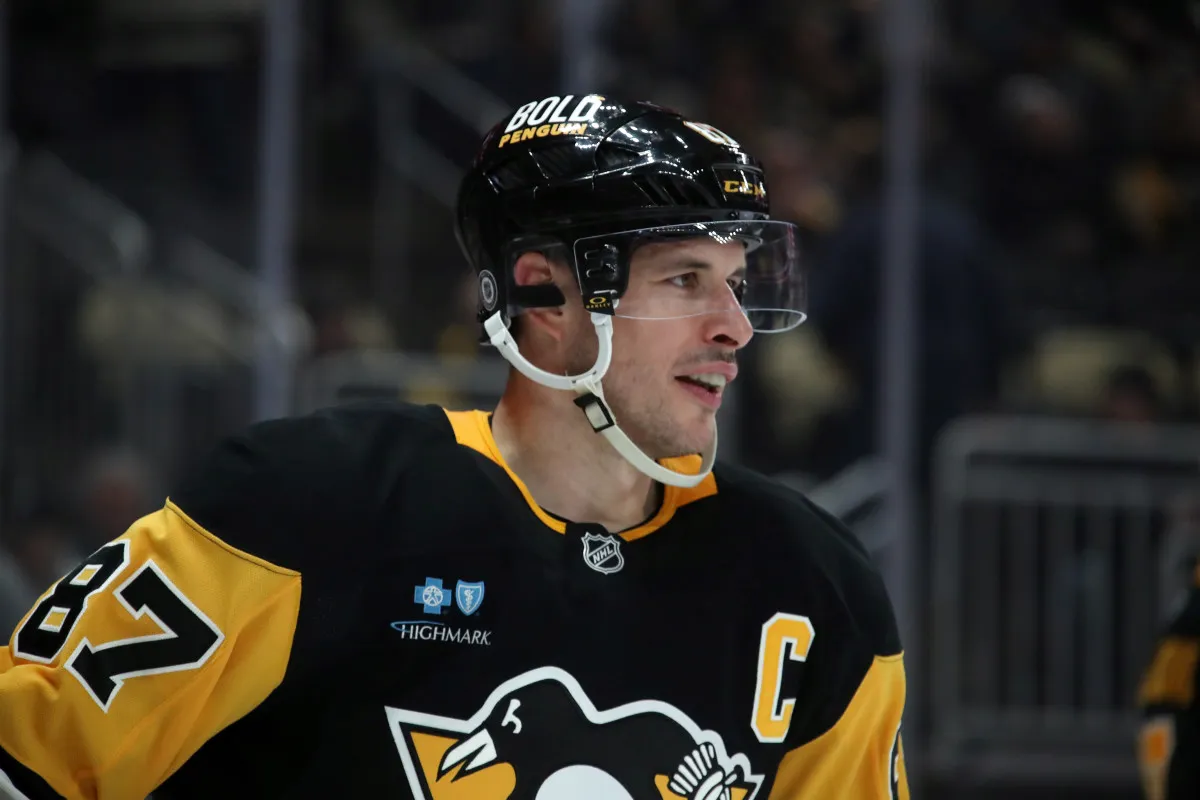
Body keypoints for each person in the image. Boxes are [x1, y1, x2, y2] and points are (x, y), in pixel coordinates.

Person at [0, 95, 908, 799]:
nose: (735, 328)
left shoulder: (812, 586)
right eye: (685, 280)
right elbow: (29, 754)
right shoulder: (311, 506)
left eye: (739, 285)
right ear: (543, 294)